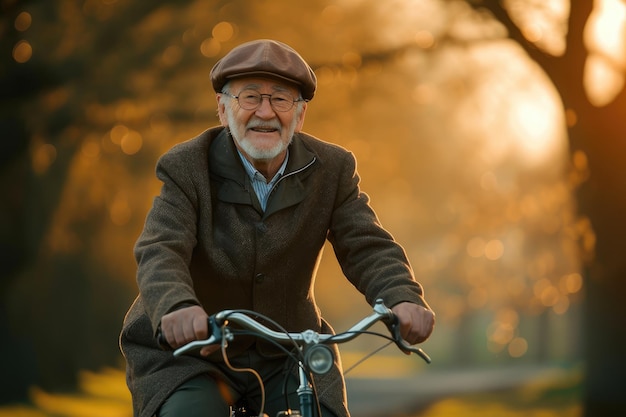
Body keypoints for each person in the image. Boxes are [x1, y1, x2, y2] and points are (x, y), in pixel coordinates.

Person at [119, 39, 435, 417]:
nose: (265, 113)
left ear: (300, 116)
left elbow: (366, 246)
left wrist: (403, 297)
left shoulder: (332, 170)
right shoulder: (187, 167)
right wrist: (177, 306)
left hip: (289, 353)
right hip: (193, 354)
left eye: (281, 99)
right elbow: (161, 248)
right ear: (223, 109)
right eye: (250, 97)